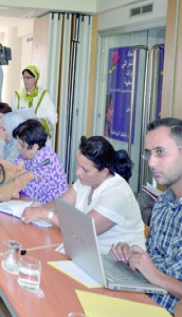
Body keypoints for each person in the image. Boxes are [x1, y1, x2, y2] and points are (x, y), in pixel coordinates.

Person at [22, 136, 145, 254]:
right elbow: (59, 204)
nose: (77, 172)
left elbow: (83, 230)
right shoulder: (86, 181)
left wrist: (44, 213)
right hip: (87, 253)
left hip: (120, 265)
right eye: (78, 165)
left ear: (104, 172)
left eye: (85, 169)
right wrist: (40, 209)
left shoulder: (117, 193)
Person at [110, 118, 182, 313]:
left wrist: (153, 274)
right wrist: (132, 256)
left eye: (160, 152)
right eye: (149, 153)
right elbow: (154, 259)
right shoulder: (162, 204)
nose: (151, 162)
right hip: (139, 298)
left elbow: (155, 273)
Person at [13, 119, 68, 204]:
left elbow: (28, 193)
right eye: (18, 143)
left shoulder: (45, 160)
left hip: (51, 210)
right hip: (34, 206)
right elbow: (12, 174)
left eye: (22, 145)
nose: (18, 147)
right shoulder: (27, 153)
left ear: (35, 146)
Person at [12, 65, 58, 139]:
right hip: (22, 136)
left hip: (38, 136)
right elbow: (13, 114)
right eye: (23, 77)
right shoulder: (18, 95)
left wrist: (40, 121)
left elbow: (53, 117)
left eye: (28, 77)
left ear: (35, 78)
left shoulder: (44, 96)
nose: (25, 80)